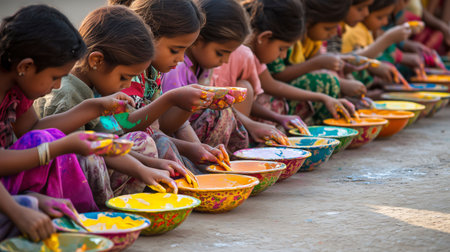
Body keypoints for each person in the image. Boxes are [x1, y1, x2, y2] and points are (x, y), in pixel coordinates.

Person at [0, 5, 132, 241]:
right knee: (47, 144)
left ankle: (81, 224)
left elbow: (32, 130)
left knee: (47, 138)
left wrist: (95, 107)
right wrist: (19, 208)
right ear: (25, 67)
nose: (58, 86)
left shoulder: (15, 91)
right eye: (55, 77)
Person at [36, 6, 181, 206]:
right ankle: (99, 212)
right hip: (56, 182)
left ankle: (118, 205)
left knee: (142, 141)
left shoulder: (96, 88)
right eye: (124, 77)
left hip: (93, 160)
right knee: (92, 159)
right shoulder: (66, 93)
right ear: (97, 60)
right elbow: (87, 150)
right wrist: (142, 169)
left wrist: (151, 164)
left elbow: (109, 142)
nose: (129, 85)